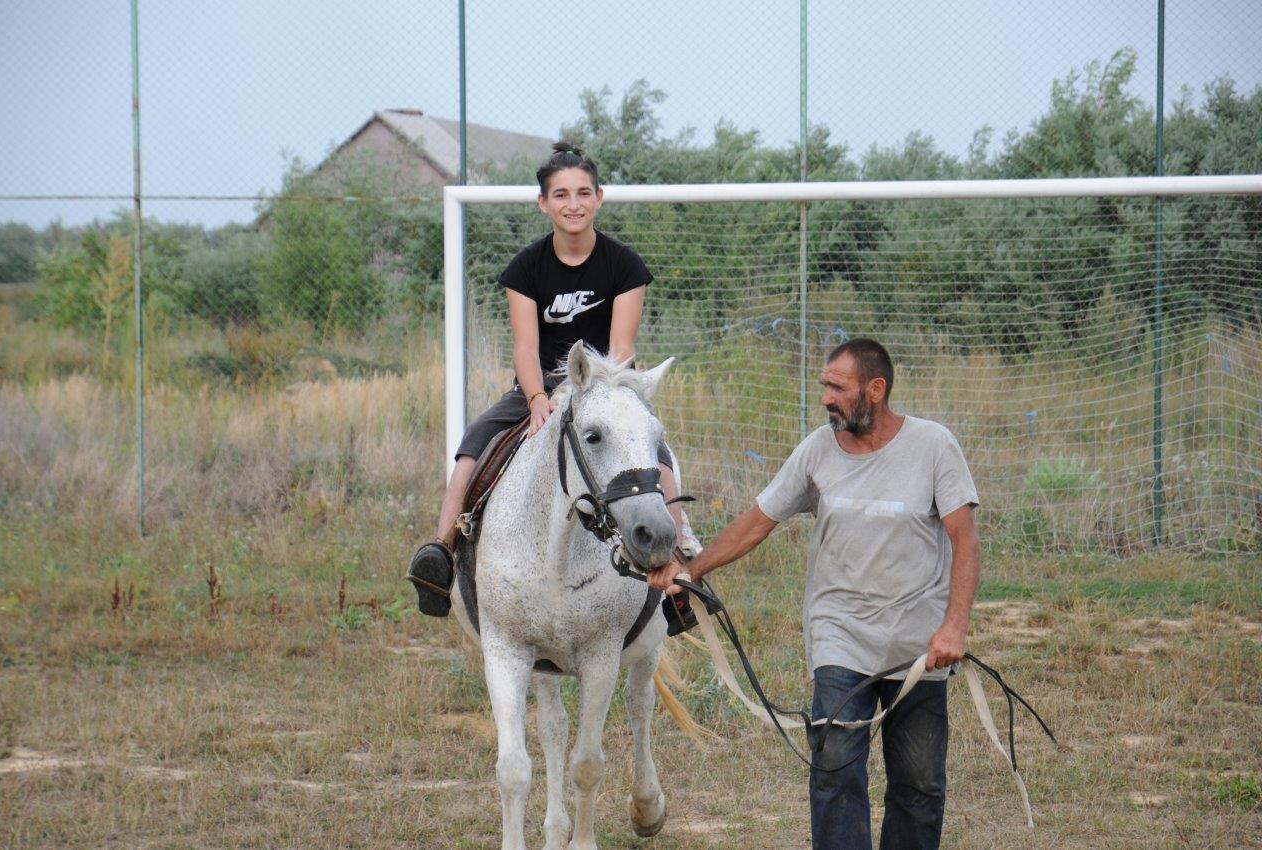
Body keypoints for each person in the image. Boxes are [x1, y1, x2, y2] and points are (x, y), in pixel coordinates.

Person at [647, 338, 980, 850]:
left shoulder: (934, 446)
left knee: (919, 786)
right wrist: (691, 569)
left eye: (836, 387)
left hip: (919, 646)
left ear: (876, 389)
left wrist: (954, 626)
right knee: (834, 774)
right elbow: (757, 523)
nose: (825, 397)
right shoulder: (817, 451)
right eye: (823, 385)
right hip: (839, 638)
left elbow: (965, 541)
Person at [409, 141, 689, 616]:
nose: (573, 204)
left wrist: (595, 397)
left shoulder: (625, 266)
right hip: (539, 386)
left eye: (583, 193)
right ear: (544, 203)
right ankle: (443, 551)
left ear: (599, 197)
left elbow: (621, 351)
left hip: (608, 388)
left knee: (658, 458)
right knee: (473, 446)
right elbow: (523, 347)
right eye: (561, 195)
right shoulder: (526, 268)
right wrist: (538, 397)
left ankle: (676, 564)